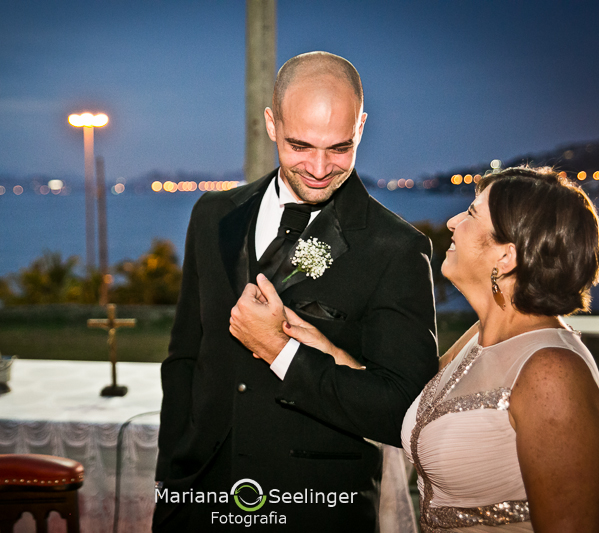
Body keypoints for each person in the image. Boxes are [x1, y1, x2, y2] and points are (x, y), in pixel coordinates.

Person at [155, 51, 439, 532]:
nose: (321, 167)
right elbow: (185, 358)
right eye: (301, 145)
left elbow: (404, 412)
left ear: (362, 127)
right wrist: (173, 485)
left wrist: (282, 351)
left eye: (340, 148)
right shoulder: (212, 216)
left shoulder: (397, 249)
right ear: (271, 123)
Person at [252, 167, 599, 532]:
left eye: (471, 213)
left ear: (506, 257)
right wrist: (316, 345)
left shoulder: (551, 371)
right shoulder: (479, 341)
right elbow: (407, 406)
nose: (452, 222)